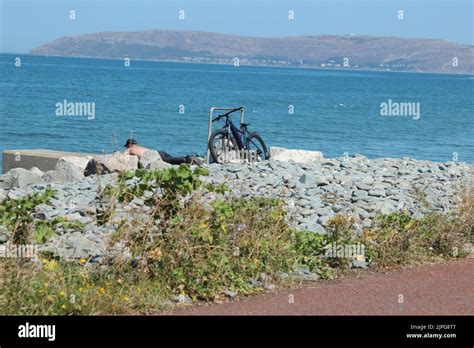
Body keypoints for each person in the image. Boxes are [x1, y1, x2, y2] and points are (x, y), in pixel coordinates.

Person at [123, 138, 202, 165]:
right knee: (172, 160)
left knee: (169, 161)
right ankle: (191, 158)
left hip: (155, 156)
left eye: (126, 146)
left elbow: (122, 155)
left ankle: (185, 159)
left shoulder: (130, 149)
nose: (126, 147)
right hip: (159, 152)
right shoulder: (139, 147)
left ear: (129, 145)